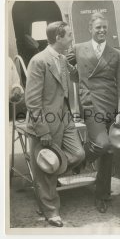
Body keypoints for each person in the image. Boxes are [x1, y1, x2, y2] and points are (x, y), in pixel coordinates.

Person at [25, 21, 85, 227]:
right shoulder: (39, 61)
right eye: (69, 35)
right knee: (46, 168)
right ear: (58, 38)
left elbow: (76, 77)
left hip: (65, 118)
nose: (72, 39)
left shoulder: (62, 58)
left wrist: (75, 63)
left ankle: (49, 177)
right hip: (46, 122)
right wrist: (42, 130)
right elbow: (32, 101)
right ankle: (51, 212)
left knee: (78, 154)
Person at [68, 12, 120, 213]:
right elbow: (61, 63)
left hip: (111, 104)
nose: (101, 30)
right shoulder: (77, 48)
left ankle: (102, 194)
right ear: (90, 29)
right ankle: (81, 159)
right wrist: (74, 75)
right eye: (98, 27)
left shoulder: (117, 54)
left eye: (104, 27)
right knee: (102, 144)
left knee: (109, 151)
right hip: (90, 103)